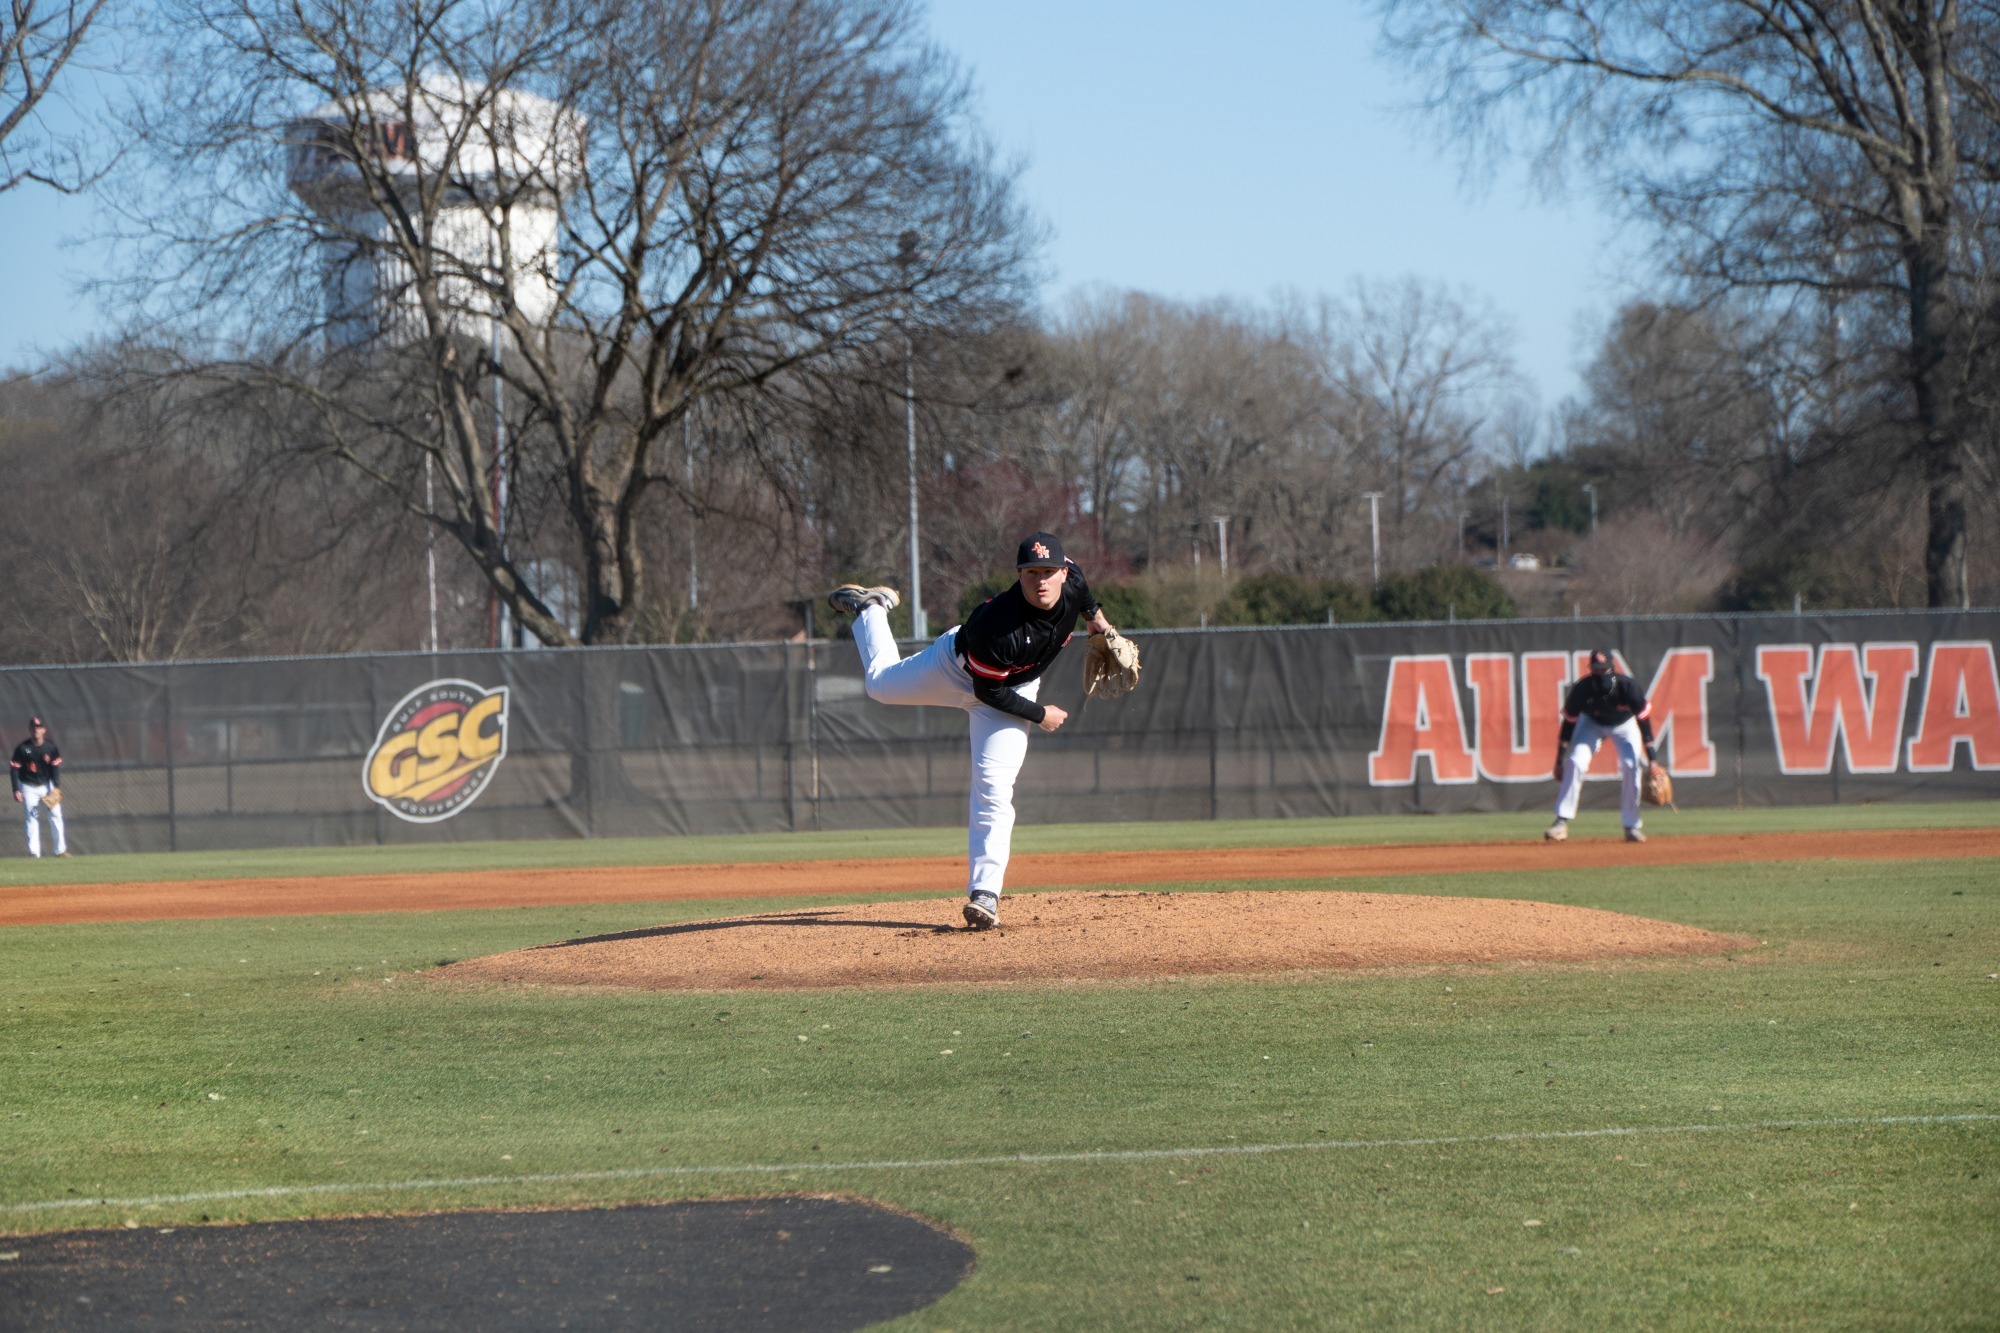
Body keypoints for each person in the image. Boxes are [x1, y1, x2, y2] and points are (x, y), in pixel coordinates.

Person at [827, 532, 1115, 930]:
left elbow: (1083, 593)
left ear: (1064, 572)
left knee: (994, 787)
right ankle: (871, 608)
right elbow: (987, 690)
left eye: (1050, 571)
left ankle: (985, 894)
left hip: (1013, 686)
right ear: (1019, 574)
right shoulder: (999, 625)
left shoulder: (1074, 583)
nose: (1042, 580)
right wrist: (1038, 714)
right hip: (957, 671)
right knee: (878, 686)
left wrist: (1097, 621)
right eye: (1032, 572)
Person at [1546, 649, 1654, 844]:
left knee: (1631, 765)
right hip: (1591, 724)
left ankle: (1631, 826)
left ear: (1612, 668)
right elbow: (1569, 723)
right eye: (1596, 668)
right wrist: (1559, 760)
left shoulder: (1628, 687)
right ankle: (1561, 822)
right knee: (1575, 762)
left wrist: (1653, 760)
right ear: (1591, 669)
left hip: (1624, 725)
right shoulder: (1582, 689)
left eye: (1604, 668)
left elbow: (1644, 721)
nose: (1600, 672)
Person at [11, 716, 68, 858]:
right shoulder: (23, 748)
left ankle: (60, 850)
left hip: (47, 786)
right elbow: (14, 769)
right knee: (31, 817)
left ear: (44, 730)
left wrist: (55, 786)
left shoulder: (50, 747)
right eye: (34, 727)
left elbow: (55, 767)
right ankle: (34, 852)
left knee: (55, 815)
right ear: (30, 729)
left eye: (39, 727)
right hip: (28, 786)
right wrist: (16, 789)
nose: (36, 730)